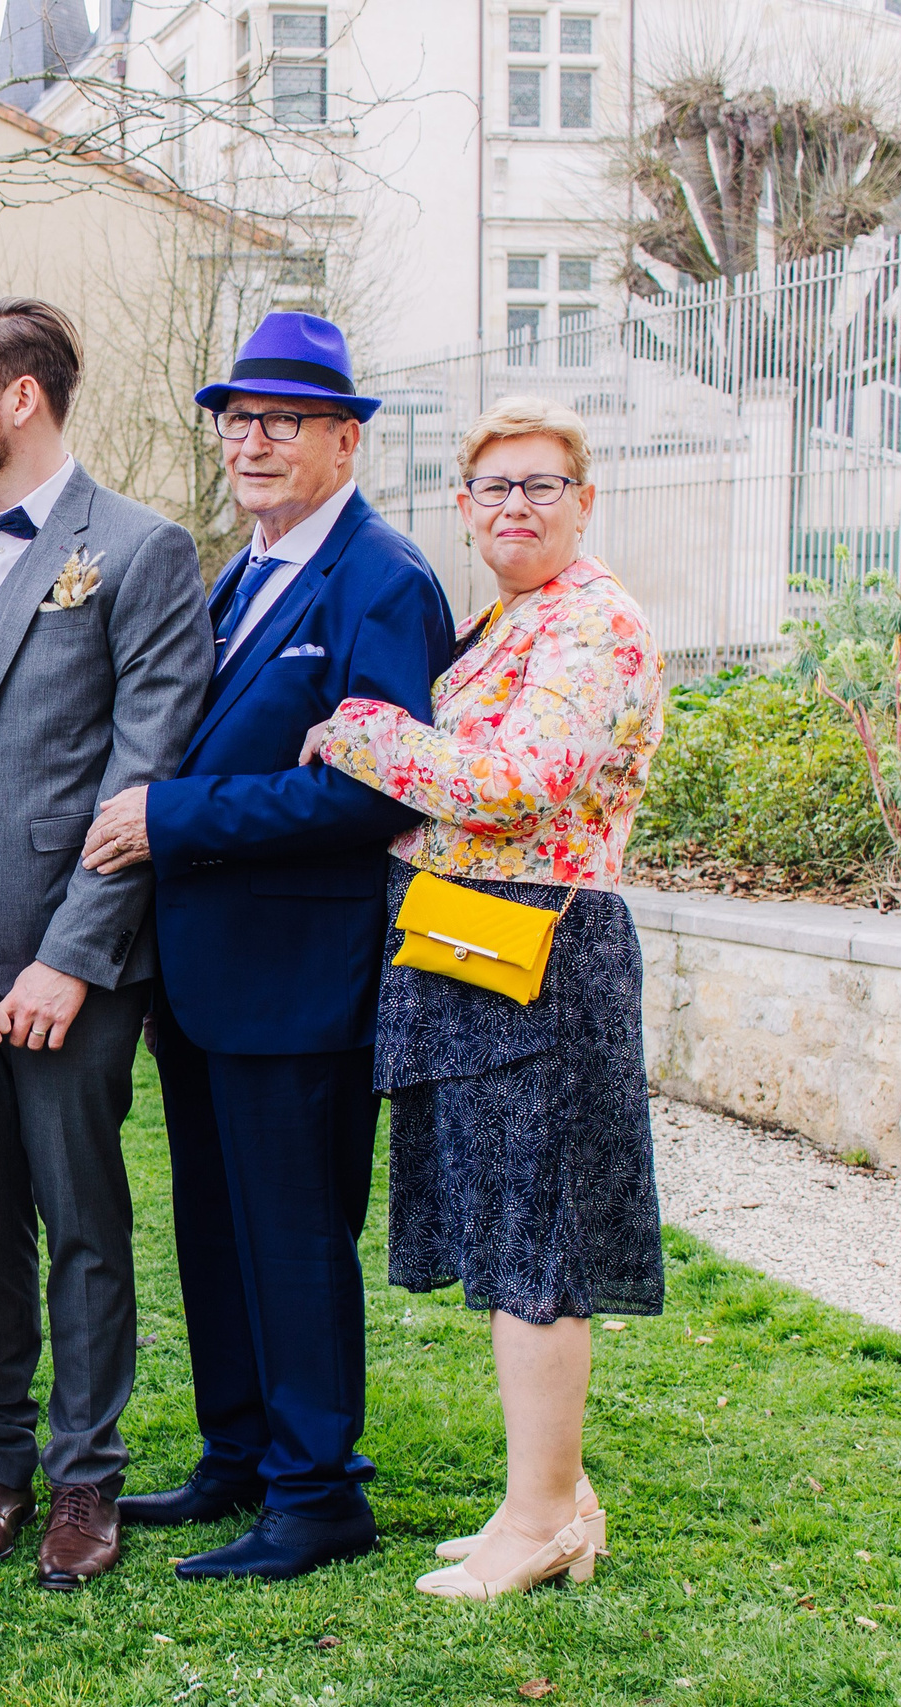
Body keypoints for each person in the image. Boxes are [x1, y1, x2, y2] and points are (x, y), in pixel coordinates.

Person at [82, 311, 453, 1582]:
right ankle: (237, 1456)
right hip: (206, 975)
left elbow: (377, 788)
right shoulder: (240, 574)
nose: (252, 442)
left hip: (302, 977)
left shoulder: (381, 579)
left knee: (293, 1241)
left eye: (283, 422)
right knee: (217, 1228)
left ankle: (316, 1494)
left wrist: (172, 818)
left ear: (345, 441)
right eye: (238, 420)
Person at [302, 396, 666, 1601]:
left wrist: (361, 733)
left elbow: (513, 782)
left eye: (540, 485)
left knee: (536, 1248)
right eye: (493, 488)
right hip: (481, 948)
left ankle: (541, 1522)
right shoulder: (511, 619)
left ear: (583, 499)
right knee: (514, 1235)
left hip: (540, 956)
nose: (516, 506)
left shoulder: (592, 624)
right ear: (462, 508)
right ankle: (553, 1500)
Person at [0, 298, 210, 1588]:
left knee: (79, 1222)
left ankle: (85, 1480)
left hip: (74, 962)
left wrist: (70, 956)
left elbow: (145, 768)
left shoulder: (139, 549)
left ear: (22, 397)